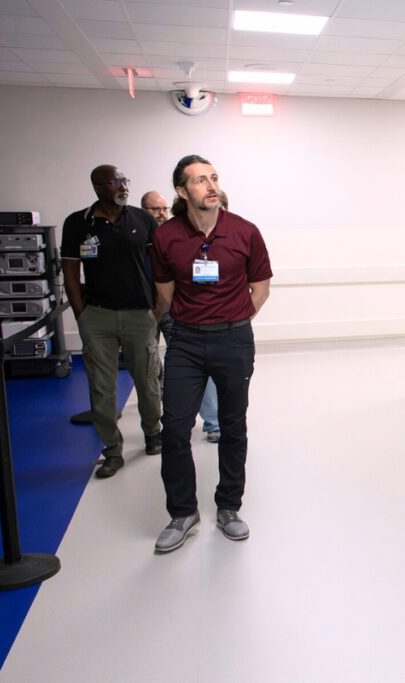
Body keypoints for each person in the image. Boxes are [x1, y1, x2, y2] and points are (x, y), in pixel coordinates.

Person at [149, 155, 272, 552]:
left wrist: (235, 319)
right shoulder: (166, 236)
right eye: (200, 180)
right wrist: (192, 320)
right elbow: (164, 291)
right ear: (183, 192)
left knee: (234, 425)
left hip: (234, 339)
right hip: (185, 341)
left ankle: (228, 507)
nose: (211, 185)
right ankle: (182, 513)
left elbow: (261, 288)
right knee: (174, 427)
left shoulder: (245, 232)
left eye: (214, 178)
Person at [60, 165, 162, 478]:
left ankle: (153, 433)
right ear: (98, 186)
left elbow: (159, 264)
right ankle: (112, 450)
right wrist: (82, 314)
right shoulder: (78, 222)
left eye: (125, 180)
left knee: (147, 381)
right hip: (98, 316)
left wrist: (157, 309)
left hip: (138, 314)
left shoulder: (142, 219)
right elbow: (70, 272)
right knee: (101, 388)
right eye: (116, 182)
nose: (123, 186)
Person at [143, 189, 220, 444]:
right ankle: (158, 422)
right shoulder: (138, 237)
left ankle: (212, 422)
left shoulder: (180, 236)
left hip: (175, 309)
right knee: (149, 365)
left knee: (196, 363)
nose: (161, 214)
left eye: (163, 209)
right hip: (143, 310)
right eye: (155, 209)